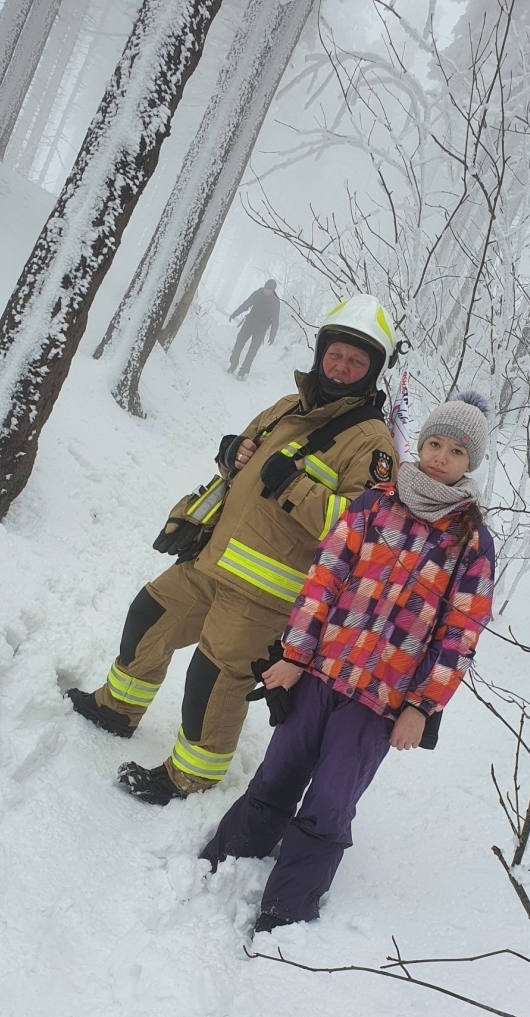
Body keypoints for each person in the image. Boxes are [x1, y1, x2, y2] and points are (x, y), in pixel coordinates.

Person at [67, 294, 401, 805]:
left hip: (265, 593)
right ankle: (117, 709)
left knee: (215, 679)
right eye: (335, 354)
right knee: (148, 617)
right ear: (320, 352)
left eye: (357, 361)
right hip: (213, 560)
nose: (342, 366)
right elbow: (245, 459)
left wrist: (295, 487)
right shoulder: (288, 406)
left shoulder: (372, 443)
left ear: (372, 371)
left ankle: (190, 777)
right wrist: (231, 453)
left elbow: (367, 531)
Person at [200, 391, 495, 934]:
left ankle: (288, 908)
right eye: (434, 443)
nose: (440, 457)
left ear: (469, 463)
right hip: (319, 674)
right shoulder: (375, 503)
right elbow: (324, 578)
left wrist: (421, 708)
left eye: (456, 452)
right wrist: (294, 656)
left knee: (331, 800)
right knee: (278, 772)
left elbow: (461, 632)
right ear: (421, 443)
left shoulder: (470, 539)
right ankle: (230, 854)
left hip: (378, 700)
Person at [228, 280, 280, 378]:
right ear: (264, 287)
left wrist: (272, 334)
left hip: (261, 330)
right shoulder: (257, 294)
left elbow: (275, 319)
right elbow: (246, 304)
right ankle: (233, 365)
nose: (267, 292)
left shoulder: (275, 302)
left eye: (270, 290)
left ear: (273, 291)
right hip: (249, 324)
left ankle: (242, 372)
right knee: (238, 346)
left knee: (252, 352)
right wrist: (235, 313)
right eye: (266, 289)